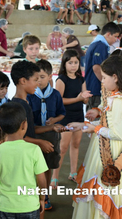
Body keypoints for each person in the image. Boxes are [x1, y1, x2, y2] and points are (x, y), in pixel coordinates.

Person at [68, 55, 122, 219]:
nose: (101, 81)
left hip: (114, 148)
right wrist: (99, 111)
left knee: (110, 182)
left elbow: (117, 133)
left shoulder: (119, 100)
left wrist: (95, 128)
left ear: (115, 77)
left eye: (104, 78)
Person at [0, 102, 48, 218]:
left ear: (1, 127)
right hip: (29, 206)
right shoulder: (34, 150)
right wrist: (42, 198)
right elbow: (42, 181)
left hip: (5, 207)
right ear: (24, 124)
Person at [27, 60, 66, 210]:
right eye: (36, 78)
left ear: (50, 76)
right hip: (34, 137)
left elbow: (62, 113)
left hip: (51, 136)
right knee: (33, 167)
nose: (39, 81)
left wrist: (54, 120)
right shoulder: (30, 95)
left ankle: (46, 195)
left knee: (48, 166)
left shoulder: (55, 95)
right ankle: (34, 194)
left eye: (42, 77)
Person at [50, 49, 92, 188]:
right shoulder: (61, 79)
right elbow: (59, 100)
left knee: (76, 144)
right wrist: (78, 98)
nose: (73, 65)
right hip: (65, 116)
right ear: (64, 63)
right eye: (70, 63)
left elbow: (84, 99)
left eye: (76, 62)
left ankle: (73, 172)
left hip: (79, 115)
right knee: (62, 147)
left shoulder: (81, 78)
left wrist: (85, 98)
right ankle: (54, 177)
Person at [85, 22, 120, 110]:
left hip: (93, 87)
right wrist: (106, 83)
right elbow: (96, 67)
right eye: (115, 36)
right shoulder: (100, 46)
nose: (116, 40)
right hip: (96, 88)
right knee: (95, 119)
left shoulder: (98, 44)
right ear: (108, 34)